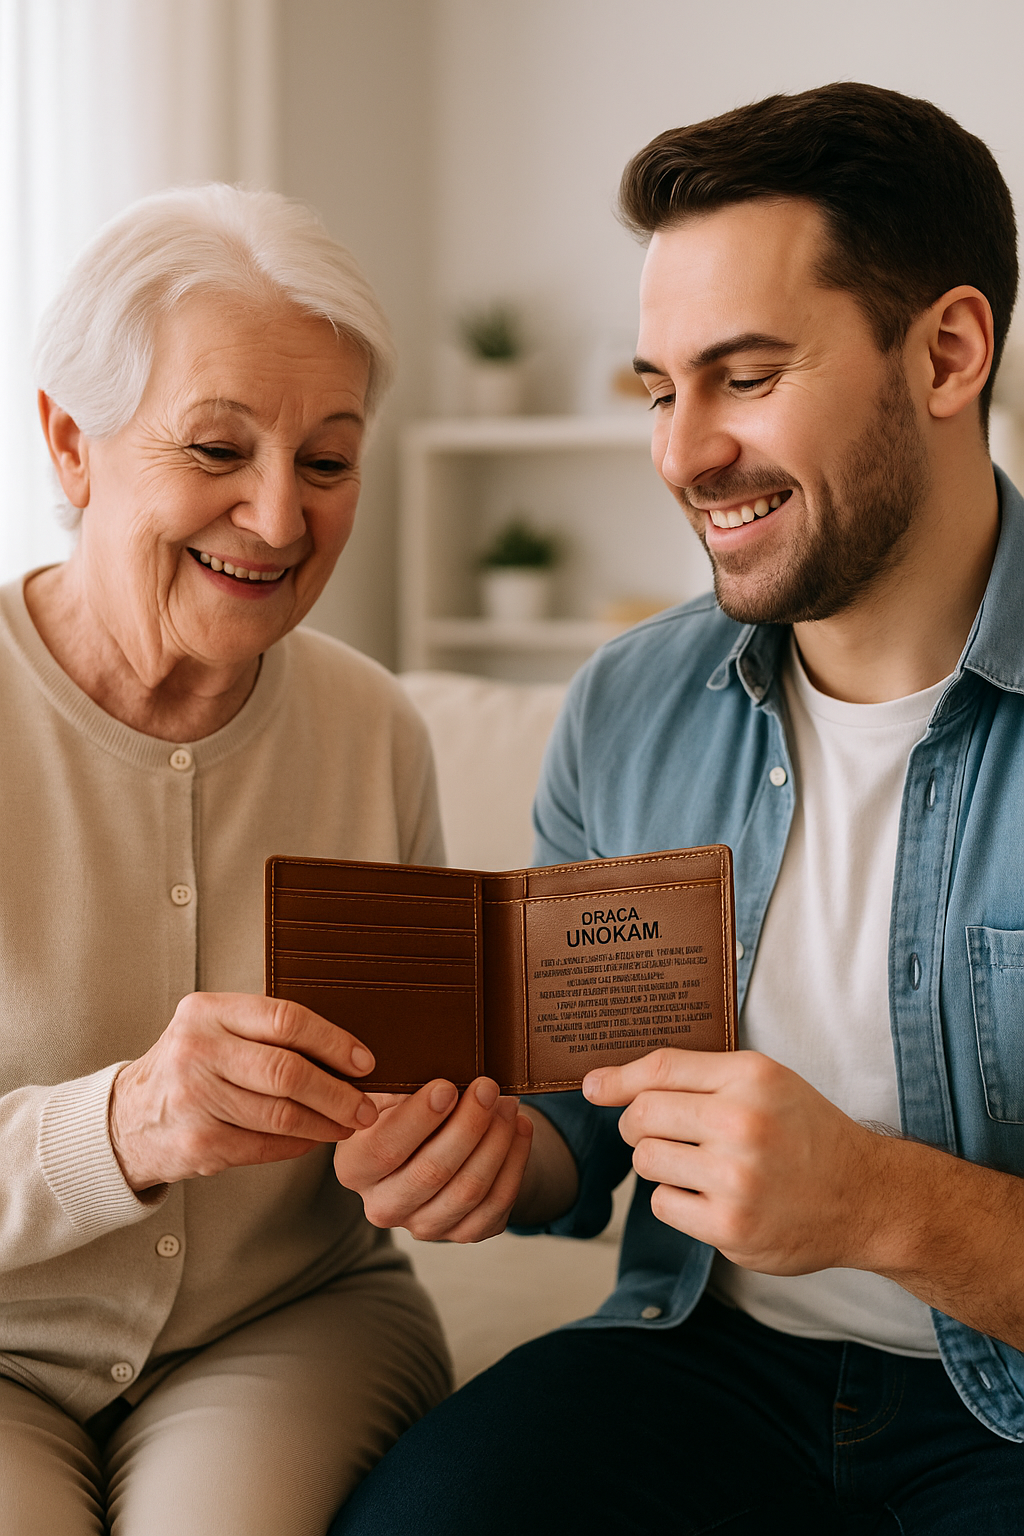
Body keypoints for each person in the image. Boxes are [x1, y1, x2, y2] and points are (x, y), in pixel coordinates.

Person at [328, 83, 1024, 1532]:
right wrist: (498, 1155)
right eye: (660, 386)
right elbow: (581, 1111)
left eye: (748, 375)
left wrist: (883, 1205)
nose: (681, 452)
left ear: (948, 351)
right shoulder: (631, 706)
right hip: (706, 1358)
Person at [0, 183, 450, 1536]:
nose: (276, 517)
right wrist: (125, 1123)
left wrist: (452, 1141)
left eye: (326, 461)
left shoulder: (374, 727)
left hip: (289, 1318)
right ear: (72, 444)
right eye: (215, 448)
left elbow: (425, 1083)